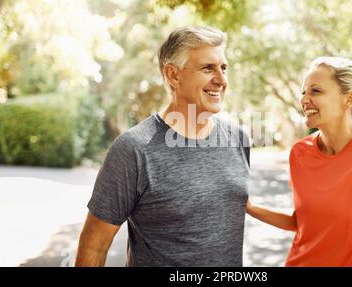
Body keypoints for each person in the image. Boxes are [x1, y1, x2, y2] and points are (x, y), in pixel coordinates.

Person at [75, 26, 250, 267]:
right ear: (173, 75)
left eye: (223, 68)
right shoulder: (134, 149)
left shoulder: (238, 140)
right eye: (207, 68)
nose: (221, 79)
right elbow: (94, 247)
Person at [246, 56, 352, 267]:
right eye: (304, 92)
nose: (304, 99)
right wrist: (249, 207)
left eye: (316, 91)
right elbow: (301, 221)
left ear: (349, 99)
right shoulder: (299, 152)